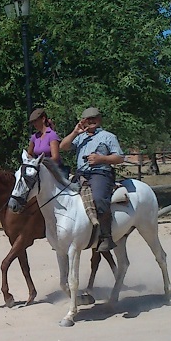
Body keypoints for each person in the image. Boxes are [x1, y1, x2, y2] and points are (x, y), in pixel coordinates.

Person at [58, 106, 125, 251]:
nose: (92, 121)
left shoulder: (108, 136)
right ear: (83, 121)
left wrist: (101, 158)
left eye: (94, 118)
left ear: (99, 119)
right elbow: (63, 146)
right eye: (88, 119)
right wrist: (75, 131)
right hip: (80, 174)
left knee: (99, 198)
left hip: (100, 174)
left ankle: (106, 236)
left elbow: (120, 158)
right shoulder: (80, 137)